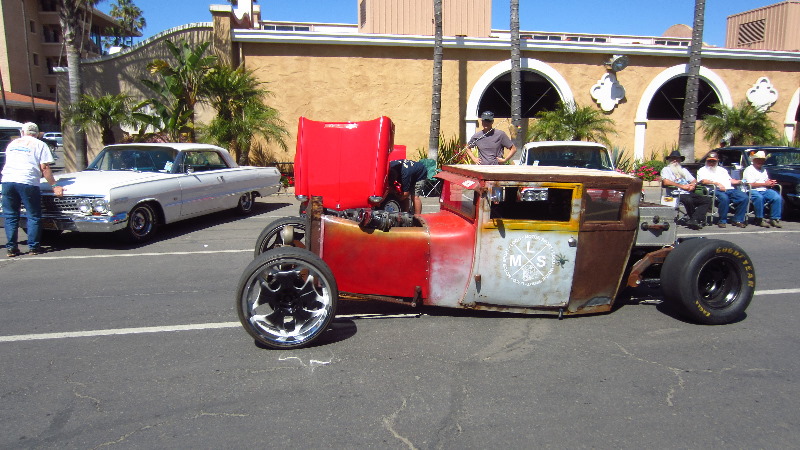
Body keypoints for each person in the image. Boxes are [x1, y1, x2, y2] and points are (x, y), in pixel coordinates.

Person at [1, 122, 63, 256]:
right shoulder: (40, 144)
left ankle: (11, 247)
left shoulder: (12, 144)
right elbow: (44, 168)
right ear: (37, 134)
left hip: (7, 180)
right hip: (27, 181)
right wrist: (54, 185)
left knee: (11, 216)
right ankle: (33, 247)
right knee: (33, 215)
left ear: (22, 133)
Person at [660, 150, 711, 230]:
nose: (675, 160)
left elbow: (694, 181)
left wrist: (692, 186)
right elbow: (666, 182)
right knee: (688, 200)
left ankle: (694, 219)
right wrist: (682, 186)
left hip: (687, 192)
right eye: (673, 158)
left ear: (680, 160)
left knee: (707, 200)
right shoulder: (666, 169)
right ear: (669, 160)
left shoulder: (684, 170)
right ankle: (694, 219)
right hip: (675, 193)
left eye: (677, 159)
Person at [697, 151, 748, 228]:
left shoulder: (722, 170)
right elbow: (703, 181)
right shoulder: (702, 170)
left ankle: (738, 220)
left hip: (729, 189)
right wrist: (717, 184)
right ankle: (722, 220)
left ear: (717, 160)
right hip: (714, 190)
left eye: (713, 161)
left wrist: (739, 181)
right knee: (724, 198)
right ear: (706, 160)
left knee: (744, 197)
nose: (711, 162)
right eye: (709, 160)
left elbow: (730, 180)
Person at [743, 150, 782, 228]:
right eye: (758, 159)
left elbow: (765, 181)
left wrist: (770, 182)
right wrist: (765, 184)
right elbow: (750, 184)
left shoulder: (763, 170)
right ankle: (759, 219)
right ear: (754, 160)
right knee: (759, 198)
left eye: (762, 160)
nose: (760, 161)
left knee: (777, 197)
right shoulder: (749, 170)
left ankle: (774, 219)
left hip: (764, 189)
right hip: (752, 190)